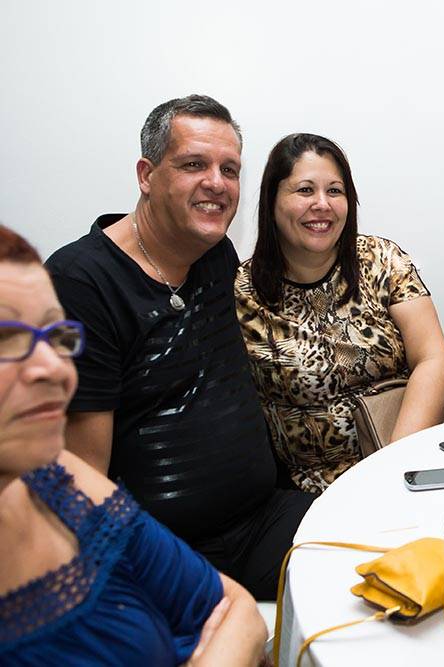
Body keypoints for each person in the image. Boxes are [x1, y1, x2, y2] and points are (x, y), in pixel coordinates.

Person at [45, 95, 314, 600]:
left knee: (386, 560)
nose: (217, 183)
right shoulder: (80, 283)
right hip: (163, 551)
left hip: (262, 519)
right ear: (146, 175)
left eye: (229, 169)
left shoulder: (215, 254)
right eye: (194, 165)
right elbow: (82, 474)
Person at [0, 225, 265, 665]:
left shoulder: (59, 480)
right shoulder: (85, 275)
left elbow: (239, 611)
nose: (57, 369)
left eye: (57, 336)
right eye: (7, 341)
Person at [235, 133, 444, 493]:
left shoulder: (382, 260)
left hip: (410, 458)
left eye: (335, 191)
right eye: (305, 190)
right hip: (319, 489)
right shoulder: (242, 292)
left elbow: (432, 357)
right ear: (272, 200)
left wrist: (394, 463)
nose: (322, 204)